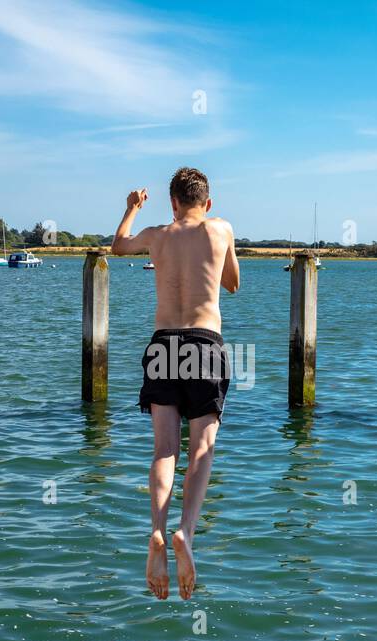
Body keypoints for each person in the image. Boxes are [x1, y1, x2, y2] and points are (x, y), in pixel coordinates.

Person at [111, 167, 239, 601]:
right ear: (208, 202)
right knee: (201, 448)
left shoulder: (157, 233)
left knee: (165, 449)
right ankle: (186, 531)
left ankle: (157, 532)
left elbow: (118, 246)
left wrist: (130, 208)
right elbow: (233, 283)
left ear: (172, 202)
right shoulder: (220, 228)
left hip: (163, 344)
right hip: (205, 343)